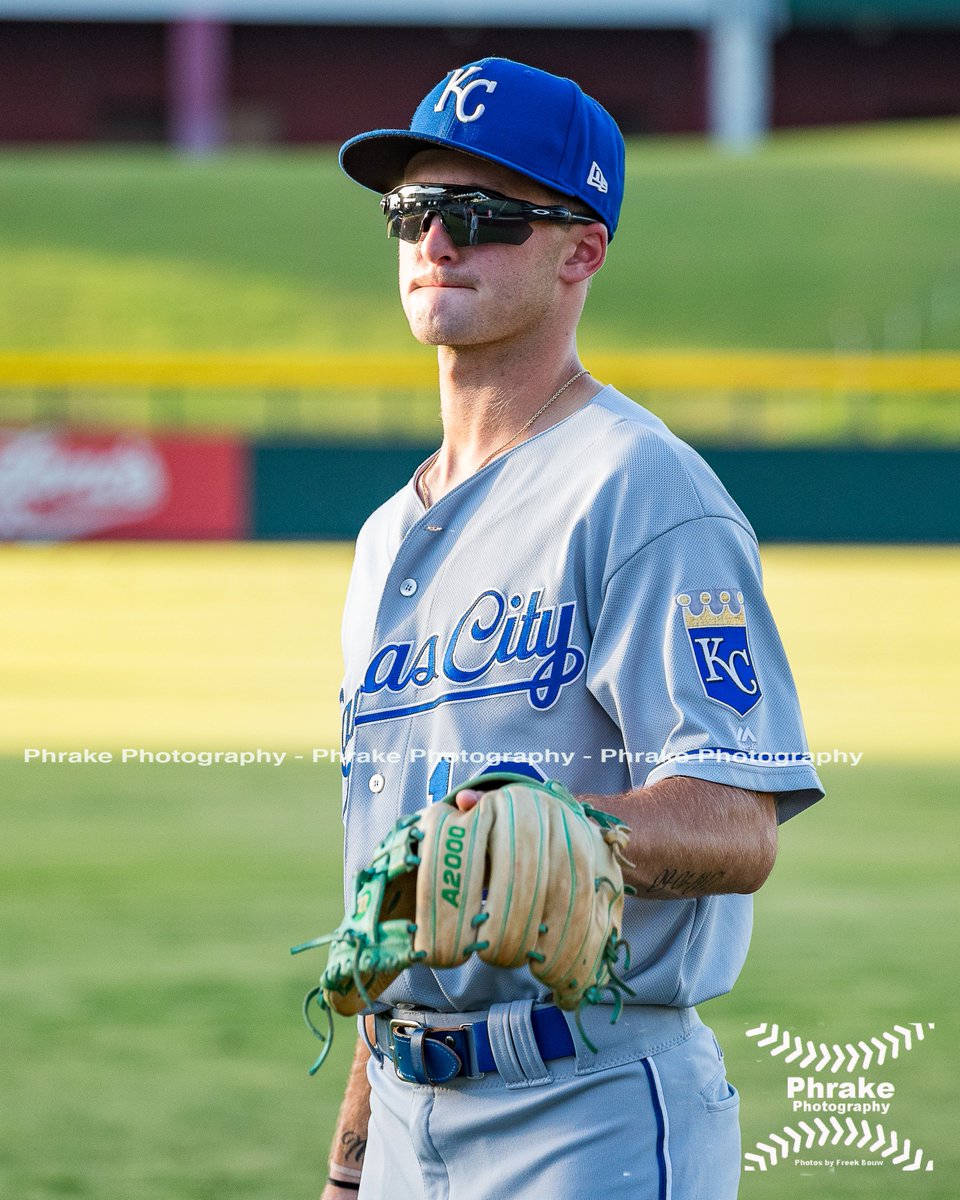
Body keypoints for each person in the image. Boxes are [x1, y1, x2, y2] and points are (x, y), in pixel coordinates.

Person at [321, 58, 823, 1200]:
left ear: (581, 250)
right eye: (414, 208)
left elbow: (739, 820)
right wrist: (353, 1158)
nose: (436, 240)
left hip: (588, 1112)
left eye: (483, 214)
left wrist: (558, 834)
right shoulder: (383, 537)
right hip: (404, 1114)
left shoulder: (641, 487)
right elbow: (408, 890)